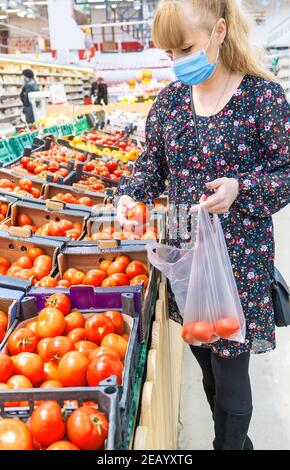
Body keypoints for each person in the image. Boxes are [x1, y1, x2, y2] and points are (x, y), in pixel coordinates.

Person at [116, 0, 290, 451]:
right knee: (204, 356)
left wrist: (240, 188)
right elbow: (149, 165)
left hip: (240, 262)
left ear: (219, 30)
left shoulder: (262, 98)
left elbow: (285, 170)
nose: (178, 62)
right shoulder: (170, 103)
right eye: (169, 53)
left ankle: (231, 444)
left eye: (186, 48)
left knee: (231, 363)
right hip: (187, 261)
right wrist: (129, 195)